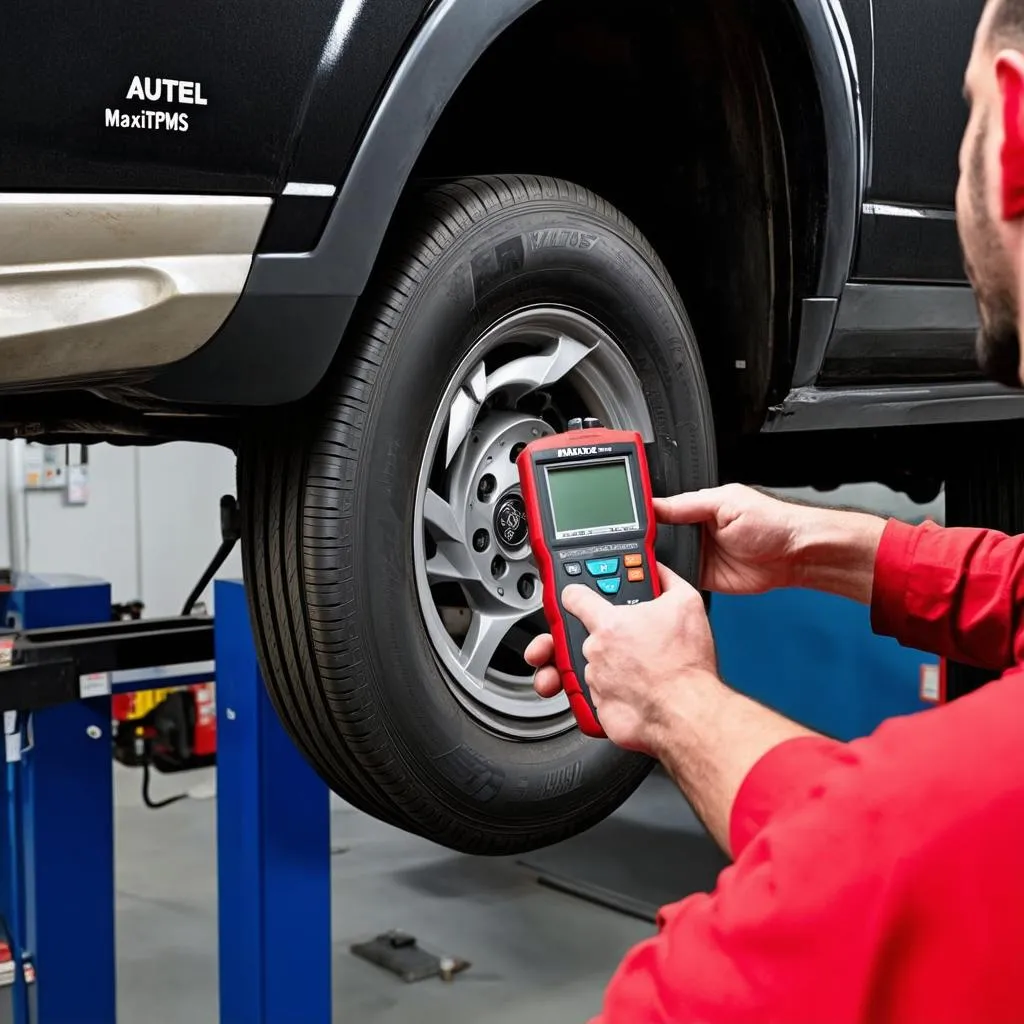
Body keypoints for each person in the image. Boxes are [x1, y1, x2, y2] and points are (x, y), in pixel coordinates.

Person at [524, 1, 1024, 1020]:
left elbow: (884, 868)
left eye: (965, 114)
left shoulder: (922, 840)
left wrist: (673, 701)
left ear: (1013, 135)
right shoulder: (936, 840)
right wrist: (824, 545)